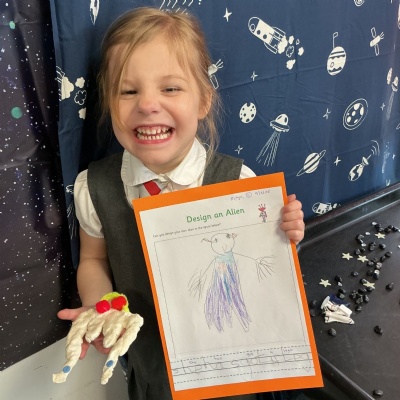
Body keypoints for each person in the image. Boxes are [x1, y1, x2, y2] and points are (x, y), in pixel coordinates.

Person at [58, 7, 305, 400]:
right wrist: (102, 306)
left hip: (232, 374)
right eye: (128, 91)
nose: (147, 104)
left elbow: (264, 275)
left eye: (170, 88)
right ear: (109, 104)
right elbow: (93, 260)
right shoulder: (96, 187)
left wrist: (285, 235)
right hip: (152, 374)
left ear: (203, 100)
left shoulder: (241, 185)